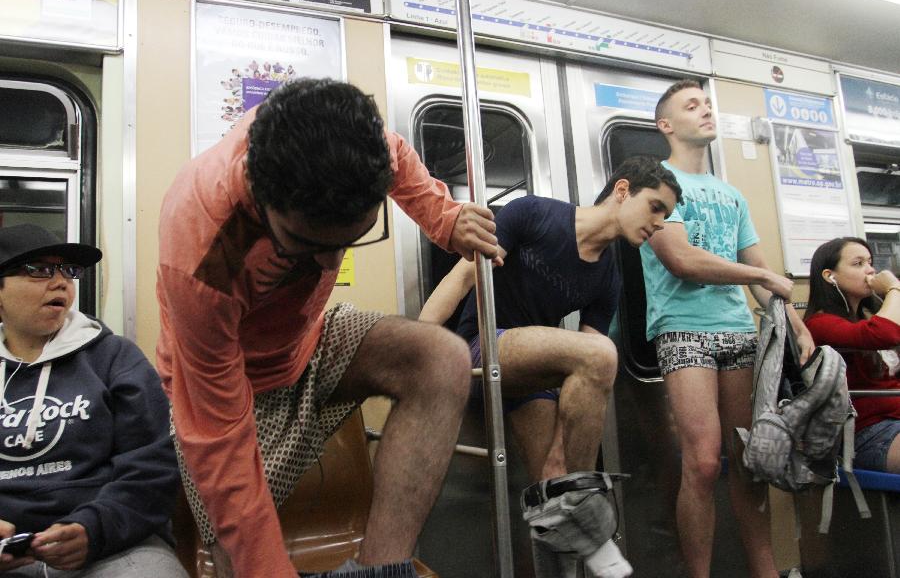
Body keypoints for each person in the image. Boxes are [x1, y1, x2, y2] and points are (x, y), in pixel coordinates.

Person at [156, 78, 500, 578]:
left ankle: (382, 571)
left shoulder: (358, 146)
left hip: (309, 340)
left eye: (348, 241)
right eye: (303, 243)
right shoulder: (200, 252)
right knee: (244, 555)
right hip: (231, 383)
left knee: (441, 360)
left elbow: (398, 155)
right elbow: (217, 435)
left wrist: (444, 219)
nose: (327, 263)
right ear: (260, 190)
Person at [420, 155, 682, 578]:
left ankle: (570, 513)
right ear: (622, 190)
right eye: (655, 207)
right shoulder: (533, 214)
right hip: (482, 348)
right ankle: (589, 518)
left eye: (666, 216)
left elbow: (594, 373)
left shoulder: (607, 278)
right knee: (601, 354)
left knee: (549, 488)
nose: (660, 223)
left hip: (533, 377)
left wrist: (562, 455)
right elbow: (464, 276)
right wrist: (419, 349)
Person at [640, 79, 814, 578]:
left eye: (708, 103)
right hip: (683, 331)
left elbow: (759, 270)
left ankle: (764, 571)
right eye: (691, 106)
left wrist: (795, 326)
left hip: (738, 332)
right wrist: (759, 275)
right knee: (703, 463)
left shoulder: (731, 195)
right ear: (666, 125)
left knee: (748, 460)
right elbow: (682, 260)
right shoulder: (659, 183)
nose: (706, 110)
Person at [0, 224, 185, 578]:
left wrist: (93, 528)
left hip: (112, 543)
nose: (61, 283)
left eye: (67, 271)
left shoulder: (115, 358)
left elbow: (153, 470)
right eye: (39, 270)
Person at [804, 237, 900, 472]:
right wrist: (893, 288)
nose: (870, 270)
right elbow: (883, 335)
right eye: (858, 264)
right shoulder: (820, 323)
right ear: (830, 276)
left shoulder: (868, 316)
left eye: (870, 262)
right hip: (869, 432)